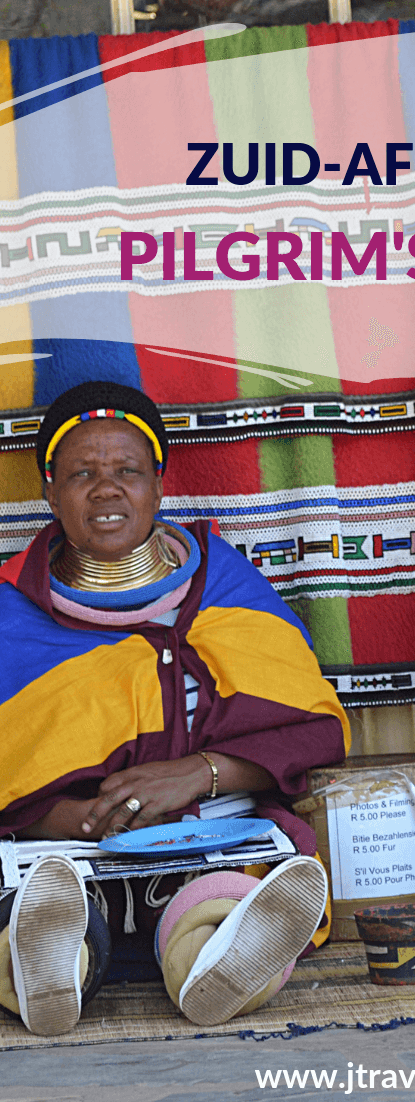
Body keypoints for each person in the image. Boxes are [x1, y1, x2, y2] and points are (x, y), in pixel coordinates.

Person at [0, 380, 351, 1036]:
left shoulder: (223, 580)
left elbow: (317, 731)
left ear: (158, 486)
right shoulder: (10, 612)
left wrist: (204, 771)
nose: (106, 490)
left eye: (127, 471)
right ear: (50, 492)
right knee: (36, 903)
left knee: (231, 900)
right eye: (81, 473)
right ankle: (46, 967)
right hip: (67, 860)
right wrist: (64, 820)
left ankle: (215, 967)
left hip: (213, 845)